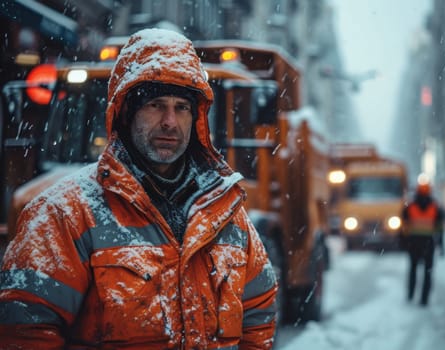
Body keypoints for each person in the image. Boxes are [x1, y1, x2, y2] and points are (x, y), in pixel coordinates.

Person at [0, 28, 277, 349]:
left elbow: (259, 314)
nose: (170, 121)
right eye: (156, 105)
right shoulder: (64, 212)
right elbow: (25, 330)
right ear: (126, 113)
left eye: (182, 107)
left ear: (197, 118)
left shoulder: (228, 213)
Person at [401, 182, 444, 306]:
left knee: (413, 270)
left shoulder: (410, 207)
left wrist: (403, 242)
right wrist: (441, 244)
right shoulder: (435, 207)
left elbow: (404, 227)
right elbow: (439, 229)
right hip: (428, 244)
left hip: (413, 243)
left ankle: (410, 294)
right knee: (428, 272)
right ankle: (424, 299)